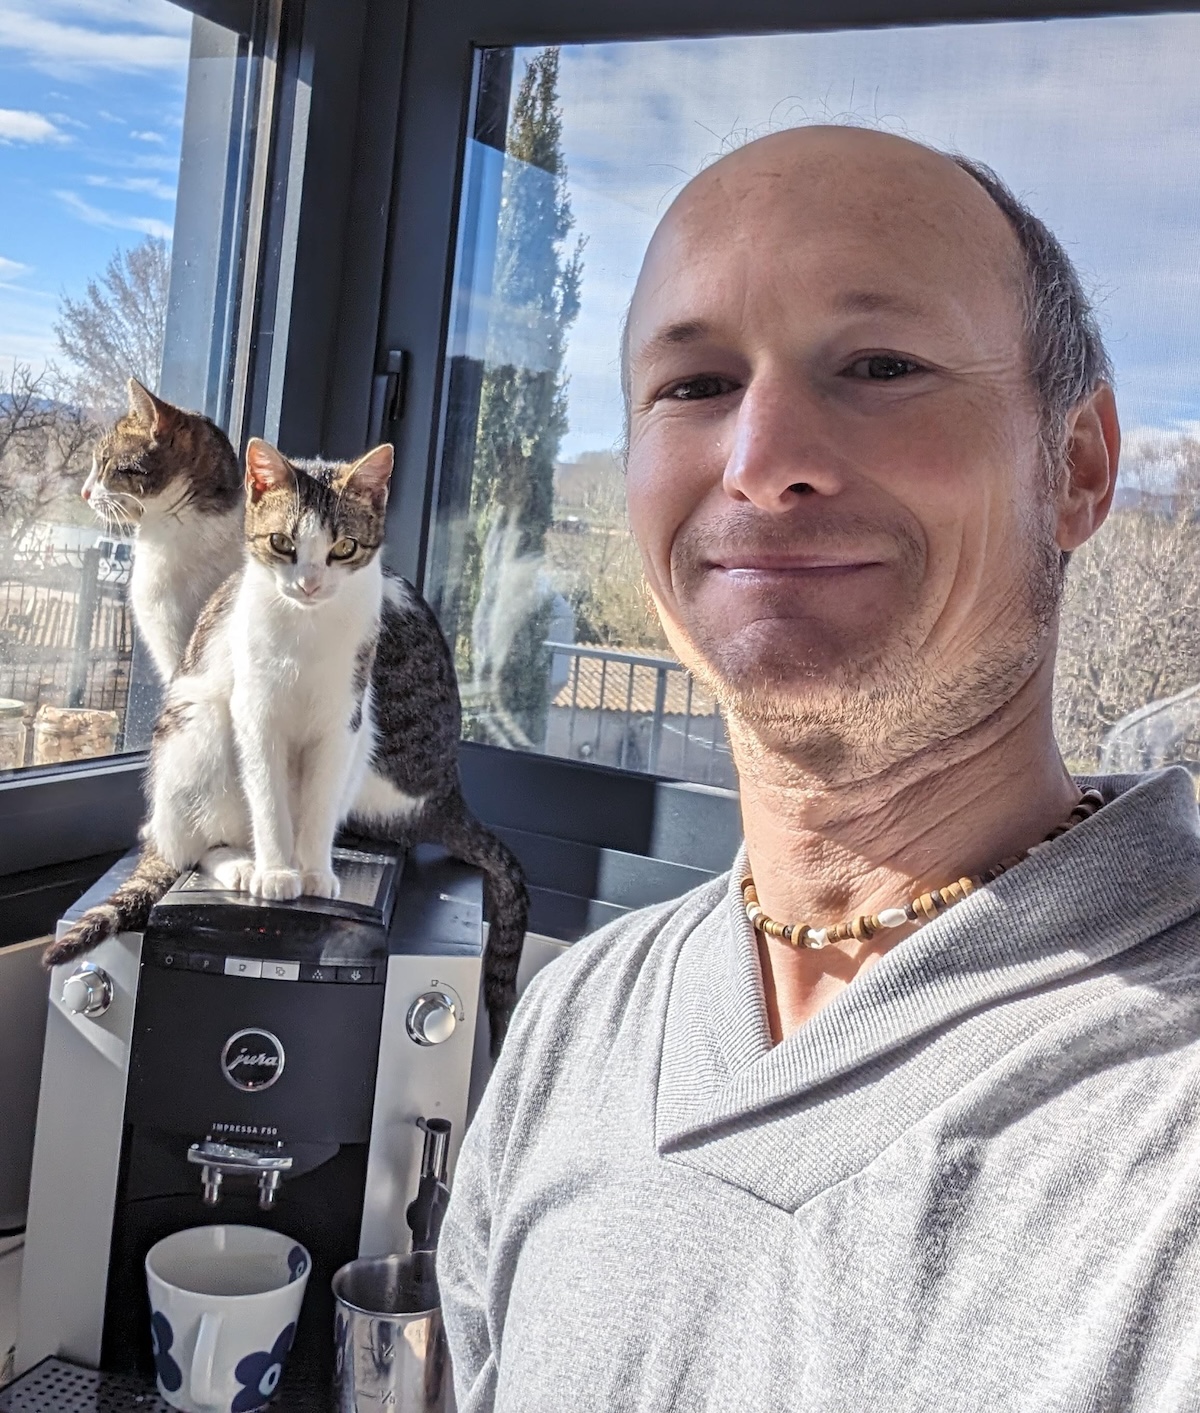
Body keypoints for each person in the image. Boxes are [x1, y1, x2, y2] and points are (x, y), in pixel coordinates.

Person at [437, 126, 1200, 1411]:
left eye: (881, 365)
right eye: (693, 386)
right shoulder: (577, 1026)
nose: (761, 458)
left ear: (1073, 470)